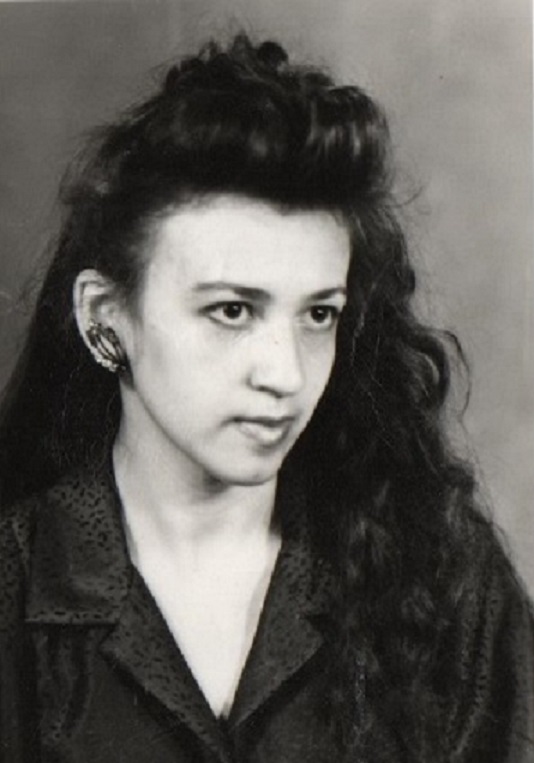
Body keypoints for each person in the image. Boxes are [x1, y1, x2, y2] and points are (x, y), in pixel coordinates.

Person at [0, 34, 532, 763]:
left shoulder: (447, 580)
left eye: (319, 314)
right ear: (105, 316)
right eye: (231, 310)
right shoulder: (13, 587)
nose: (284, 373)